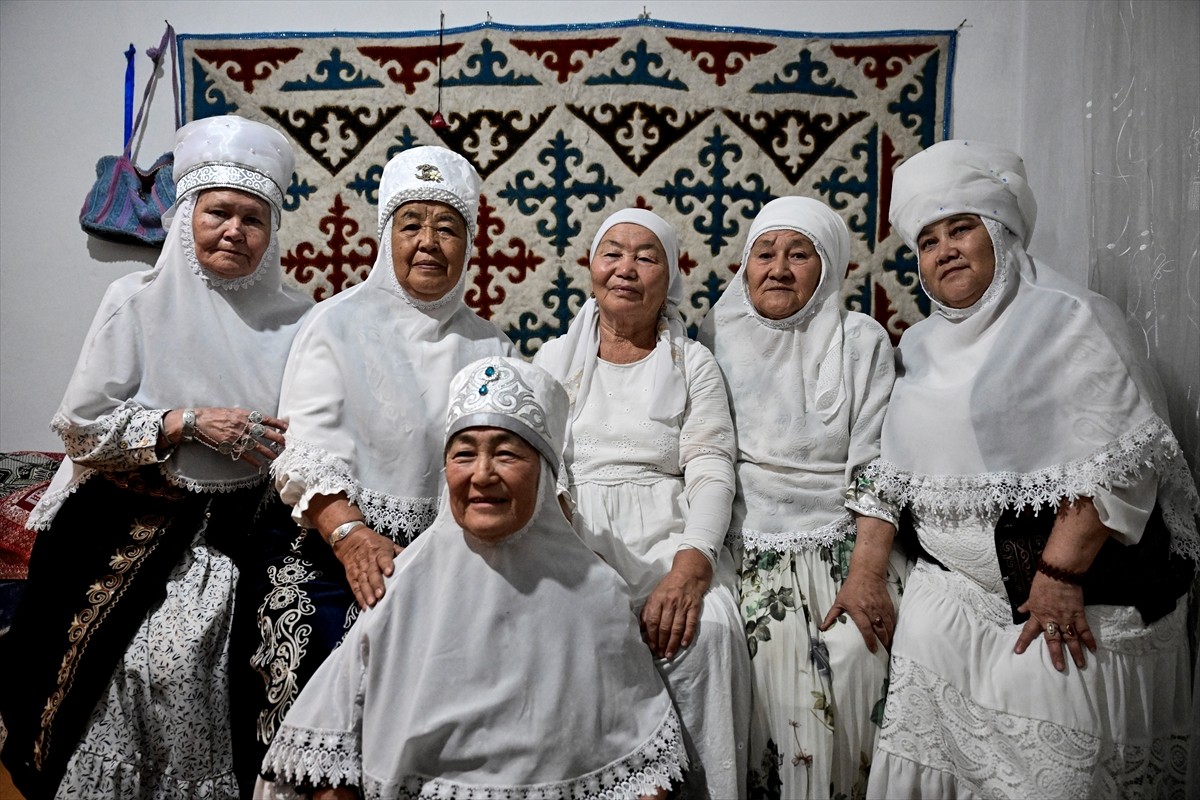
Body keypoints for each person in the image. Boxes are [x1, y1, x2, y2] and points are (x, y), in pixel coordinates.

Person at [864, 139, 1199, 798]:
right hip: (957, 598)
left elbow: (1121, 466)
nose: (946, 250)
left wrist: (1057, 574)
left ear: (1002, 232)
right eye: (928, 242)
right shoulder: (921, 346)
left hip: (1065, 592)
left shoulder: (1073, 320)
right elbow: (891, 469)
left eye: (962, 228)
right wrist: (871, 570)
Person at [0, 115, 311, 798]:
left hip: (240, 534)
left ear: (272, 233)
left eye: (252, 219)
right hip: (123, 521)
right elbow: (81, 430)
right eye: (219, 212)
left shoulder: (301, 318)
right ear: (186, 217)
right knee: (140, 663)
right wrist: (184, 423)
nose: (234, 230)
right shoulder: (132, 303)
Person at [260, 357, 687, 800]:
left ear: (543, 476)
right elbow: (326, 758)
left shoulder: (598, 592)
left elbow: (644, 770)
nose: (482, 475)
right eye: (464, 454)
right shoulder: (400, 588)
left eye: (506, 453)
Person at [251, 145, 515, 771]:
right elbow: (306, 454)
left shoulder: (490, 342)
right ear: (385, 235)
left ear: (470, 243)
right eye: (412, 224)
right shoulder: (334, 324)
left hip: (448, 558)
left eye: (447, 227)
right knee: (316, 674)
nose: (429, 242)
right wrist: (351, 538)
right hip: (328, 543)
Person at [535, 208, 751, 799]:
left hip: (672, 536)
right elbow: (539, 466)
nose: (626, 268)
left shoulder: (694, 364)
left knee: (707, 631)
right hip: (576, 539)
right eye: (613, 254)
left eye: (645, 256)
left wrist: (689, 569)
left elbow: (711, 470)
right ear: (591, 268)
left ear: (670, 275)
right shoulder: (554, 361)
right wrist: (569, 546)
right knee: (569, 636)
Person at [697, 197, 905, 799]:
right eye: (764, 253)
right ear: (745, 265)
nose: (778, 269)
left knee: (861, 667)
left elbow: (878, 463)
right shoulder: (715, 335)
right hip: (747, 553)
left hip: (849, 549)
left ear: (831, 267)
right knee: (767, 701)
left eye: (799, 255)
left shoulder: (862, 341)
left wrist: (866, 573)